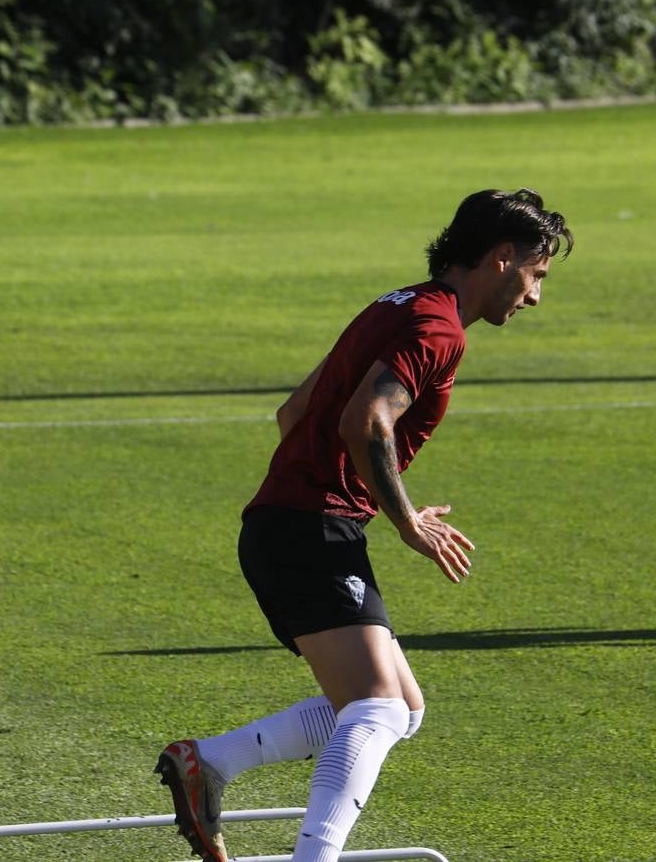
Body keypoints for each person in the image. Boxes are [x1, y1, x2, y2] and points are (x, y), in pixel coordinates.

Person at [156, 188, 574, 861]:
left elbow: (295, 414)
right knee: (377, 711)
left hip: (297, 524)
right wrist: (405, 519)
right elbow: (364, 422)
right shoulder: (438, 329)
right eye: (537, 275)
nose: (534, 297)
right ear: (501, 258)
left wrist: (360, 493)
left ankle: (211, 763)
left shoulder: (397, 304)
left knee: (401, 710)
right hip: (307, 530)